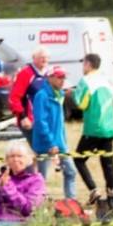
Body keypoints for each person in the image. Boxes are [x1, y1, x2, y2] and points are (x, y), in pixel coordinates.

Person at [71, 53, 113, 207]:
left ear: (88, 64)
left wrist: (72, 94)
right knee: (107, 162)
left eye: (83, 63)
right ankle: (112, 196)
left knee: (78, 159)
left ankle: (93, 189)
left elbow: (82, 104)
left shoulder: (86, 81)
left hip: (93, 128)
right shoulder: (106, 79)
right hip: (109, 127)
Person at [31, 65, 77, 200]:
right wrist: (50, 143)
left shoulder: (60, 95)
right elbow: (40, 122)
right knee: (42, 178)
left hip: (61, 143)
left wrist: (62, 141)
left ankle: (71, 202)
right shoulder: (42, 96)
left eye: (64, 77)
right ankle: (39, 205)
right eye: (59, 77)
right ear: (49, 78)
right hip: (46, 144)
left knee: (71, 172)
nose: (62, 80)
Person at [9, 47, 49, 141]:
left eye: (46, 57)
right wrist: (23, 117)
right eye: (41, 57)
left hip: (45, 118)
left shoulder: (48, 73)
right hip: (30, 120)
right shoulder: (26, 73)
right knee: (40, 150)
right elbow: (14, 97)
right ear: (34, 58)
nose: (44, 60)